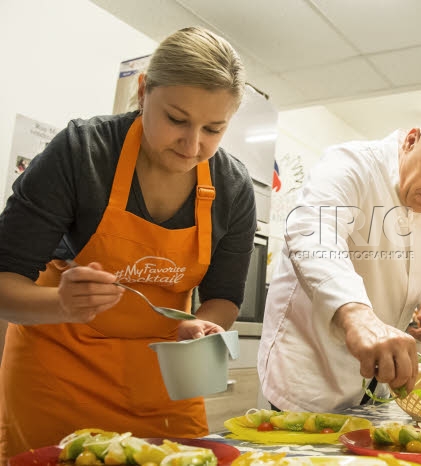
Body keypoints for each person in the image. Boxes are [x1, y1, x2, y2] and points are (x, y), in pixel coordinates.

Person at [0, 26, 256, 461]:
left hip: (165, 384)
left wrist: (203, 327)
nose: (192, 145)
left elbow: (223, 297)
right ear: (143, 91)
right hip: (58, 378)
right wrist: (62, 303)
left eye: (214, 129)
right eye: (177, 119)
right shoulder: (83, 153)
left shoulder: (232, 187)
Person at [258, 111, 421, 412]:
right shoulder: (351, 164)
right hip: (310, 372)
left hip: (378, 384)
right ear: (411, 140)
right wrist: (357, 315)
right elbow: (313, 235)